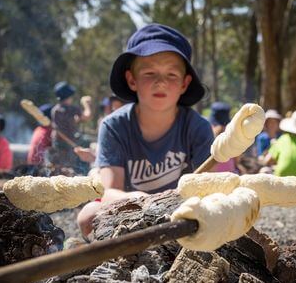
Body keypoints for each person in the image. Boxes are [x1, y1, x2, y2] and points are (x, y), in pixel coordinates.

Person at [77, 23, 214, 237]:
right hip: (129, 211)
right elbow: (110, 191)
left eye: (171, 75)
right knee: (87, 215)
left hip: (181, 214)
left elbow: (209, 189)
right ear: (132, 80)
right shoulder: (114, 126)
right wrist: (144, 201)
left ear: (184, 84)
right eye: (150, 73)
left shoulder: (197, 127)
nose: (161, 82)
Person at [49, 81, 92, 168]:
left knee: (59, 167)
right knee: (70, 167)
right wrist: (86, 104)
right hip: (70, 143)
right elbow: (87, 116)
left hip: (58, 143)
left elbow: (64, 123)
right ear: (69, 96)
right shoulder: (72, 109)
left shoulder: (55, 110)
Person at [208, 102, 242, 173]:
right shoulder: (232, 135)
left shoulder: (207, 134)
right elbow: (237, 160)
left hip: (213, 177)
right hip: (231, 174)